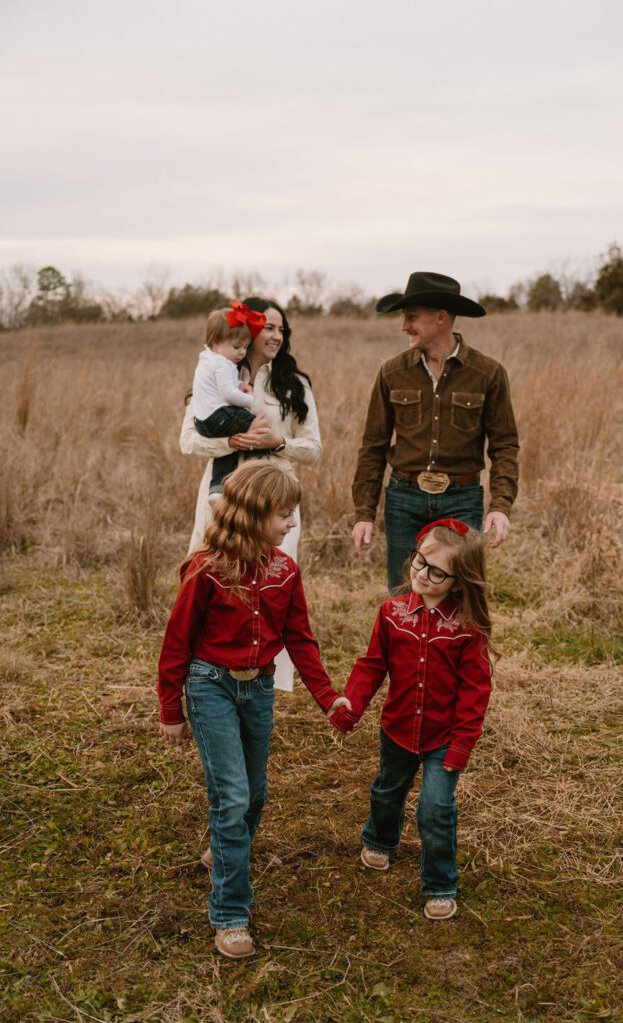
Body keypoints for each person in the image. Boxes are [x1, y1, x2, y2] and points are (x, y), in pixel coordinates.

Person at [157, 461, 349, 959]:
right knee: (233, 795)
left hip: (258, 689)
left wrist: (329, 698)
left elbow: (299, 638)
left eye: (293, 514)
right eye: (284, 515)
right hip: (210, 686)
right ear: (252, 514)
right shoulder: (206, 570)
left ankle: (224, 849)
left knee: (254, 794)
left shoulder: (286, 571)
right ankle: (230, 912)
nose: (291, 524)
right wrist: (170, 708)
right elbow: (177, 643)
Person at [330, 517, 493, 921]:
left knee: (435, 808)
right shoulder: (391, 613)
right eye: (420, 562)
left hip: (443, 739)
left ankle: (439, 882)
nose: (422, 574)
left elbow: (475, 691)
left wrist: (461, 746)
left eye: (437, 572)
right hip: (398, 730)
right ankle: (381, 840)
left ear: (459, 581)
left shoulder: (467, 629)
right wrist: (351, 706)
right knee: (388, 789)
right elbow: (371, 666)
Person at [180, 297, 321, 690]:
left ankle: (264, 685)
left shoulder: (294, 385)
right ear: (248, 332)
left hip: (276, 501)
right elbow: (188, 440)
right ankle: (205, 681)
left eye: (281, 329)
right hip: (221, 497)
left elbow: (313, 449)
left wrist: (278, 442)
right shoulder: (213, 370)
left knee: (272, 591)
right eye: (269, 328)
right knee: (210, 582)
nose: (276, 335)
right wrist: (233, 440)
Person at [351, 271, 519, 593]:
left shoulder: (488, 374)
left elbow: (505, 447)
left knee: (462, 596)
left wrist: (500, 506)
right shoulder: (392, 373)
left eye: (411, 318)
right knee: (403, 595)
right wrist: (364, 513)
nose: (404, 327)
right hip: (404, 497)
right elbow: (373, 447)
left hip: (462, 499)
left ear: (440, 319)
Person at [192, 303, 270, 495]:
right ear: (215, 343)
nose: (242, 352)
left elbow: (223, 387)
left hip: (203, 421)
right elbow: (228, 395)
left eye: (245, 347)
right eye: (237, 347)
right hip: (218, 415)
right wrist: (252, 400)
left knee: (229, 446)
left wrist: (238, 386)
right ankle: (260, 471)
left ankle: (217, 487)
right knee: (258, 426)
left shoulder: (207, 359)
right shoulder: (222, 364)